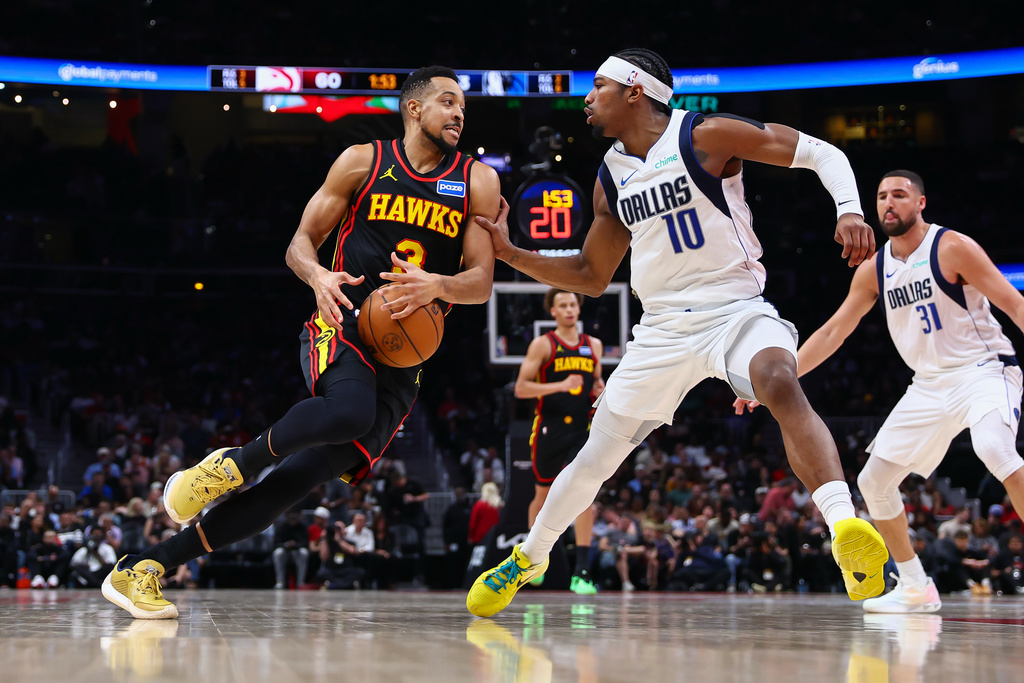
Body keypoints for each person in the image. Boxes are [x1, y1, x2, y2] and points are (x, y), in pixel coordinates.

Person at [466, 48, 886, 617]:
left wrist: (850, 211)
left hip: (734, 307)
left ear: (635, 91)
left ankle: (844, 527)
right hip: (660, 328)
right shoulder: (609, 177)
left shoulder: (706, 135)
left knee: (778, 378)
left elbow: (820, 152)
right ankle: (530, 557)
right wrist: (514, 253)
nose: (587, 99)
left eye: (598, 87)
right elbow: (591, 277)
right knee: (596, 458)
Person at [102, 65, 500, 619]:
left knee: (297, 482)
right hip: (344, 326)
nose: (460, 114)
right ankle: (229, 466)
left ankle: (142, 567)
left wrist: (438, 284)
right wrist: (318, 278)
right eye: (449, 103)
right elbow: (300, 243)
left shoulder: (478, 180)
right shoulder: (364, 161)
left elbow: (481, 282)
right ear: (414, 108)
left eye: (464, 107)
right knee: (350, 411)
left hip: (406, 356)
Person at [757, 170, 1024, 613]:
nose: (888, 203)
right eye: (881, 196)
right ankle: (916, 585)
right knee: (874, 481)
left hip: (983, 370)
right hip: (928, 385)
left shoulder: (951, 246)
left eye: (899, 195)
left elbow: (1012, 302)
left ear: (920, 203)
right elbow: (833, 332)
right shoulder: (874, 269)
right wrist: (772, 381)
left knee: (995, 449)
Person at [514, 288, 605, 594]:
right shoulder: (543, 344)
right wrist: (561, 385)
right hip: (549, 429)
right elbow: (521, 389)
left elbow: (595, 383)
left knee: (584, 498)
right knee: (542, 496)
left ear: (579, 309)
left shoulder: (594, 345)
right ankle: (533, 562)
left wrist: (600, 389)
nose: (569, 309)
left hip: (582, 430)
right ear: (552, 311)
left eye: (572, 304)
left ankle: (581, 571)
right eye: (562, 305)